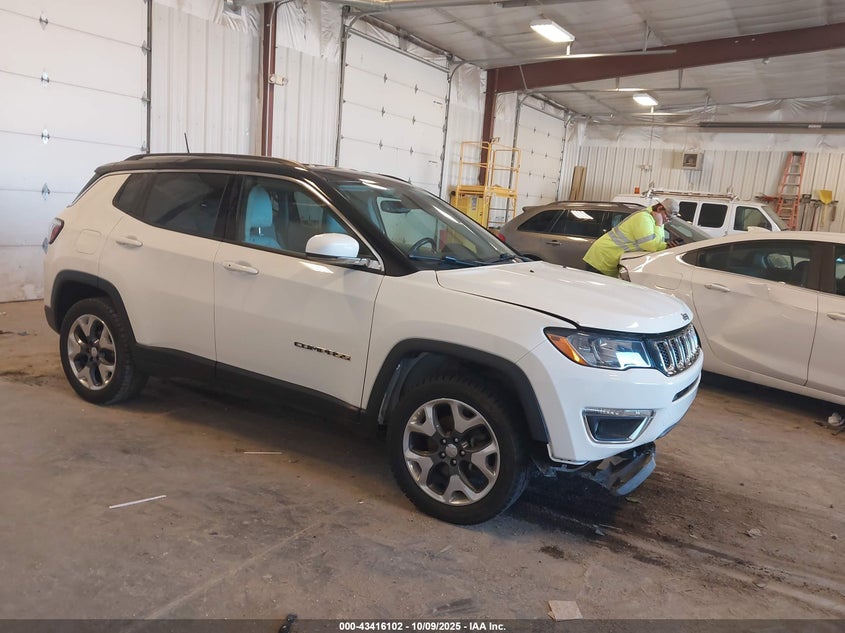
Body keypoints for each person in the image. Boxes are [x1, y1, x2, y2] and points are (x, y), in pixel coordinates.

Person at [583, 198, 680, 277]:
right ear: (659, 209)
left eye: (670, 219)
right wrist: (659, 225)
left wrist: (666, 246)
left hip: (609, 260)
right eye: (667, 216)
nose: (667, 220)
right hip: (602, 258)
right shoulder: (643, 218)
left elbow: (657, 243)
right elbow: (649, 245)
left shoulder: (655, 220)